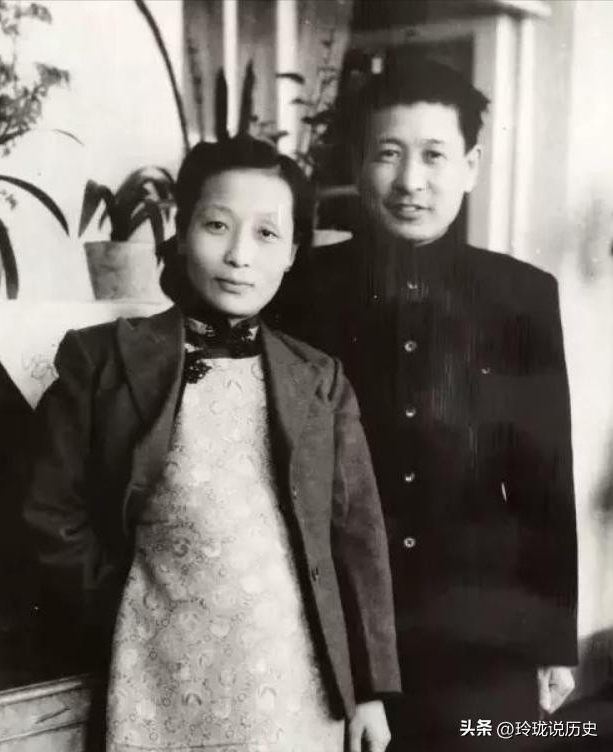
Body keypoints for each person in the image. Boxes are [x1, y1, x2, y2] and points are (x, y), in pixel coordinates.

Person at [23, 135, 400, 752]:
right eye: (217, 225)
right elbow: (51, 512)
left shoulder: (319, 379)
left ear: (292, 254)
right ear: (181, 232)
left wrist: (371, 690)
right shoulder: (103, 361)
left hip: (296, 676)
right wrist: (127, 609)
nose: (239, 255)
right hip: (157, 670)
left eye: (267, 234)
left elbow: (357, 540)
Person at [269, 56, 578, 752]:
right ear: (358, 163)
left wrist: (553, 637)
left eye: (434, 155)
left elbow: (544, 479)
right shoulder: (300, 288)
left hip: (483, 622)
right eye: (387, 153)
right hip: (342, 618)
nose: (410, 181)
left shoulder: (522, 294)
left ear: (470, 165)